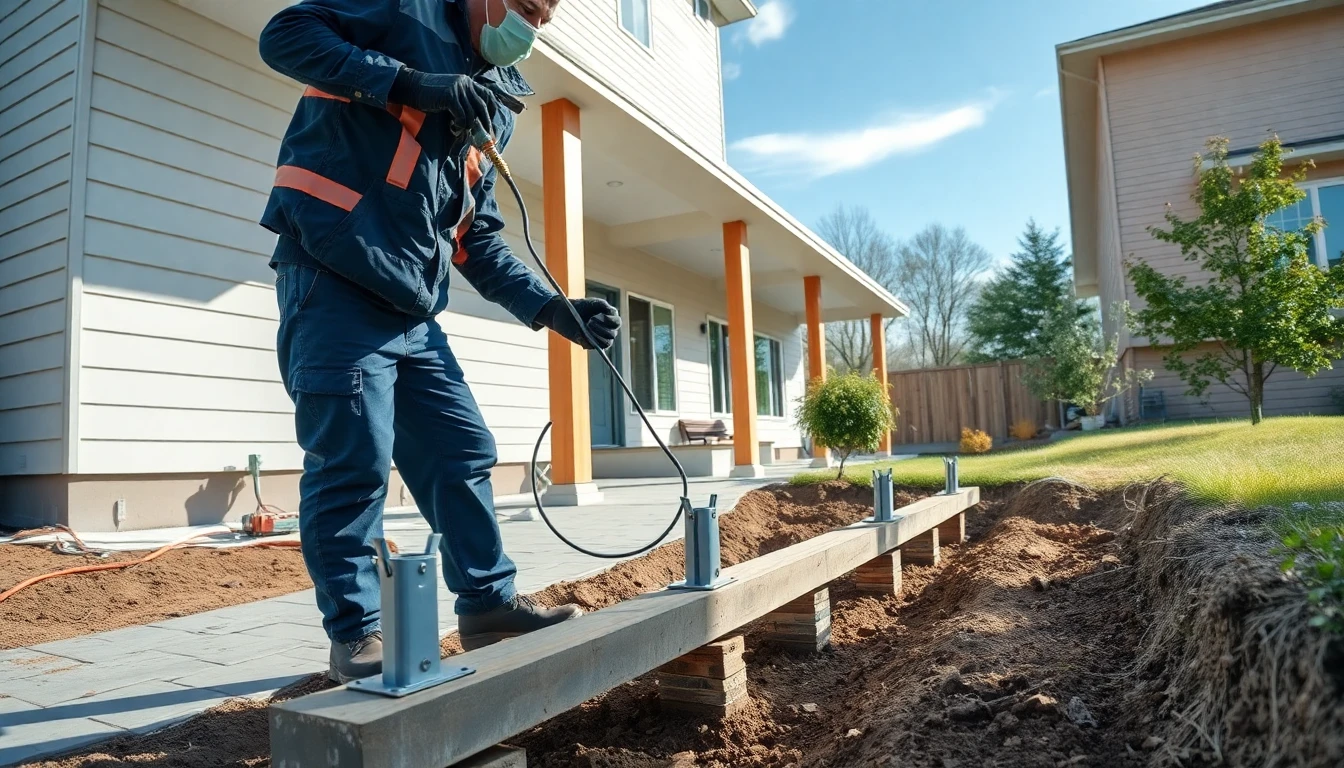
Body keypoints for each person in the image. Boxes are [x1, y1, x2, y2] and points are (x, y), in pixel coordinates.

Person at [256, 0, 622, 683]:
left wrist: (550, 308)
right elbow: (284, 36)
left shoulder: (496, 102)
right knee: (353, 462)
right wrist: (409, 82)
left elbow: (474, 237)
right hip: (332, 281)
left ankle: (487, 606)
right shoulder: (403, 10)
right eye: (526, 9)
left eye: (544, 20)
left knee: (462, 451)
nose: (532, 28)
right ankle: (357, 635)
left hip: (412, 310)